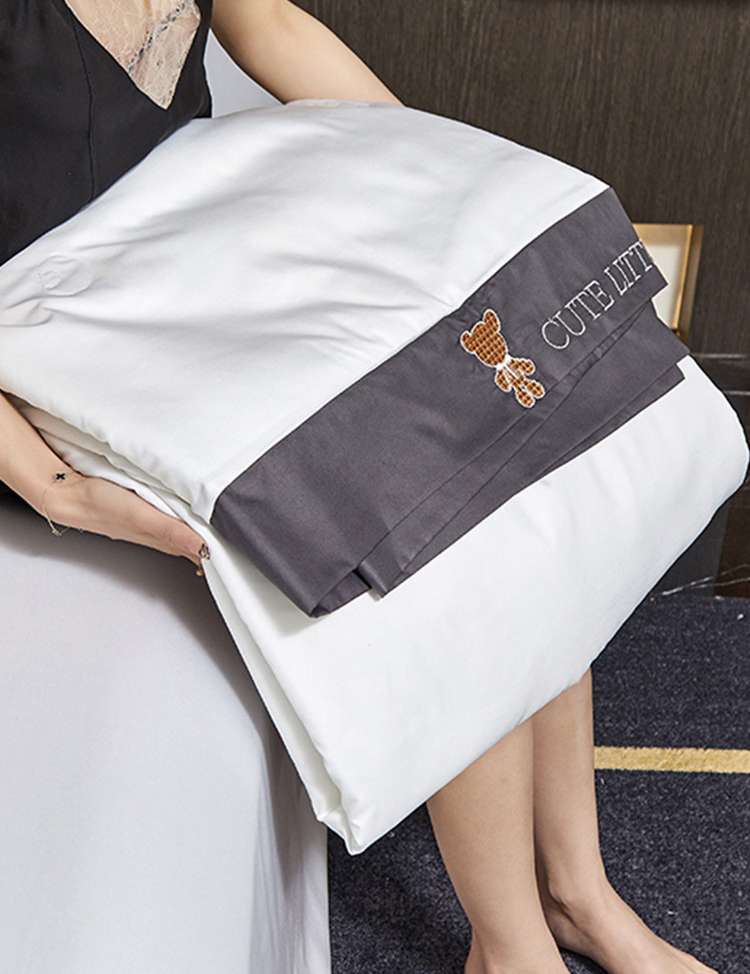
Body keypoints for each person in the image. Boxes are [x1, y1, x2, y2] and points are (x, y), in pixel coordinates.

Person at [0, 4, 716, 973]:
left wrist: (443, 196)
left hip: (196, 230)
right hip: (58, 313)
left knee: (515, 425)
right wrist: (54, 484)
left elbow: (269, 22)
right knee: (441, 516)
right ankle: (511, 947)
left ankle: (580, 894)